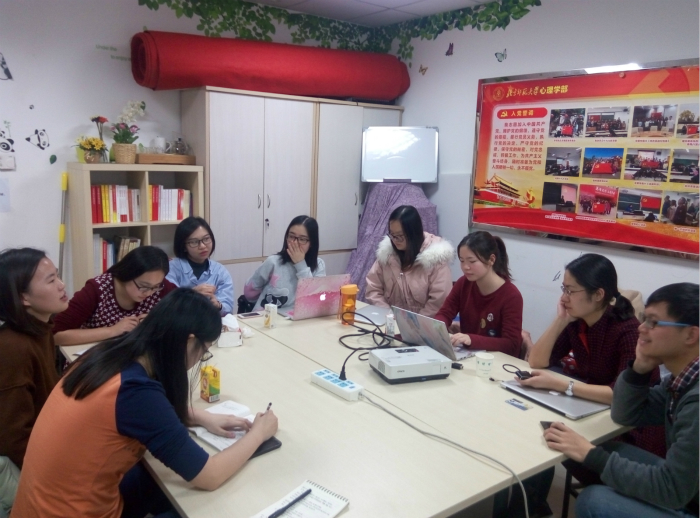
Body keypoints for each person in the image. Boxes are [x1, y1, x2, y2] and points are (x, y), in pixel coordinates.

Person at [12, 288, 279, 517]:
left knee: (157, 478)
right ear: (188, 342)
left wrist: (198, 416)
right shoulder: (136, 393)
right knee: (202, 504)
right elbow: (209, 475)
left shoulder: (105, 355)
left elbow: (128, 413)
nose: (200, 358)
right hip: (76, 512)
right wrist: (258, 433)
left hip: (35, 508)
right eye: (204, 350)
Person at [544, 283, 698, 518]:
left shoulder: (696, 401)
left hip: (688, 499)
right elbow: (626, 414)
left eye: (653, 322)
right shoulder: (681, 381)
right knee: (587, 449)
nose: (641, 328)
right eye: (644, 319)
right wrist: (638, 370)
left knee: (594, 500)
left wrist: (591, 455)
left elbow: (672, 489)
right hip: (688, 489)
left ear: (691, 335)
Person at [0, 249, 69, 516]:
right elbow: (13, 438)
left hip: (45, 444)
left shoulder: (40, 327)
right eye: (51, 280)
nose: (62, 285)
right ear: (23, 297)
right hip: (21, 466)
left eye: (58, 276)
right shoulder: (12, 347)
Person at [53, 246, 177, 346]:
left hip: (137, 355)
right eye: (143, 286)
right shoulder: (97, 289)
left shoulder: (159, 286)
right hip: (97, 358)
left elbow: (183, 312)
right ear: (128, 274)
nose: (149, 293)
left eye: (156, 286)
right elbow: (56, 335)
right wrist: (113, 330)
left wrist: (157, 321)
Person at [434, 231, 523, 357]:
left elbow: (511, 344)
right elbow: (445, 313)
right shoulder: (463, 283)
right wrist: (437, 329)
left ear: (491, 260)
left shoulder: (511, 296)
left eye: (472, 261)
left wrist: (472, 339)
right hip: (469, 355)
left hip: (495, 360)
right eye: (462, 261)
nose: (465, 267)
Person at [365, 205, 454, 318]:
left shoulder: (436, 259)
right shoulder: (387, 254)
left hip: (423, 325)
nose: (395, 240)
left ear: (414, 233)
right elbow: (373, 289)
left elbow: (439, 301)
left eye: (400, 236)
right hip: (390, 322)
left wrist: (413, 323)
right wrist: (389, 315)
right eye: (392, 235)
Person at [243, 215, 325, 312]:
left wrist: (301, 265)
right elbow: (249, 293)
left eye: (302, 239)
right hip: (267, 317)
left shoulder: (319, 265)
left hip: (299, 318)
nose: (295, 243)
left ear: (311, 243)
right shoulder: (273, 262)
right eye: (291, 236)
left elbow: (315, 300)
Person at [166, 217, 233, 316]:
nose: (202, 246)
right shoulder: (171, 269)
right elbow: (166, 306)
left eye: (206, 239)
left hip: (210, 322)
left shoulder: (220, 271)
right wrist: (191, 294)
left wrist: (218, 305)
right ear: (183, 246)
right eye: (194, 242)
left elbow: (228, 307)